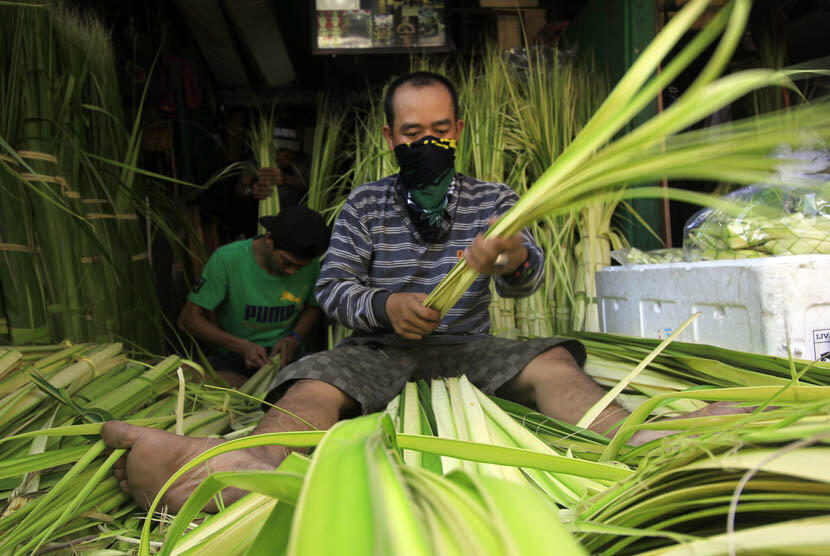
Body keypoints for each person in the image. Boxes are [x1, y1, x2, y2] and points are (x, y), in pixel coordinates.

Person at [102, 71, 741, 512]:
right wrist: (385, 306)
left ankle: (640, 439)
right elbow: (332, 287)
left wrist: (514, 255)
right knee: (313, 383)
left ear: (457, 130)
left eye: (439, 129)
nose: (427, 143)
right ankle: (243, 467)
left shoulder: (494, 200)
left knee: (551, 360)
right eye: (412, 134)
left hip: (466, 347)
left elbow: (530, 276)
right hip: (374, 350)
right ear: (389, 139)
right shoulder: (365, 204)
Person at [177, 205, 329, 387]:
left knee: (324, 381)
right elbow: (188, 319)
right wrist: (240, 346)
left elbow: (314, 307)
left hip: (286, 356)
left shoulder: (311, 266)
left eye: (300, 267)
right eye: (286, 262)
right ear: (269, 239)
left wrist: (294, 338)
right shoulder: (228, 259)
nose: (292, 271)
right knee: (187, 379)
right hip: (236, 356)